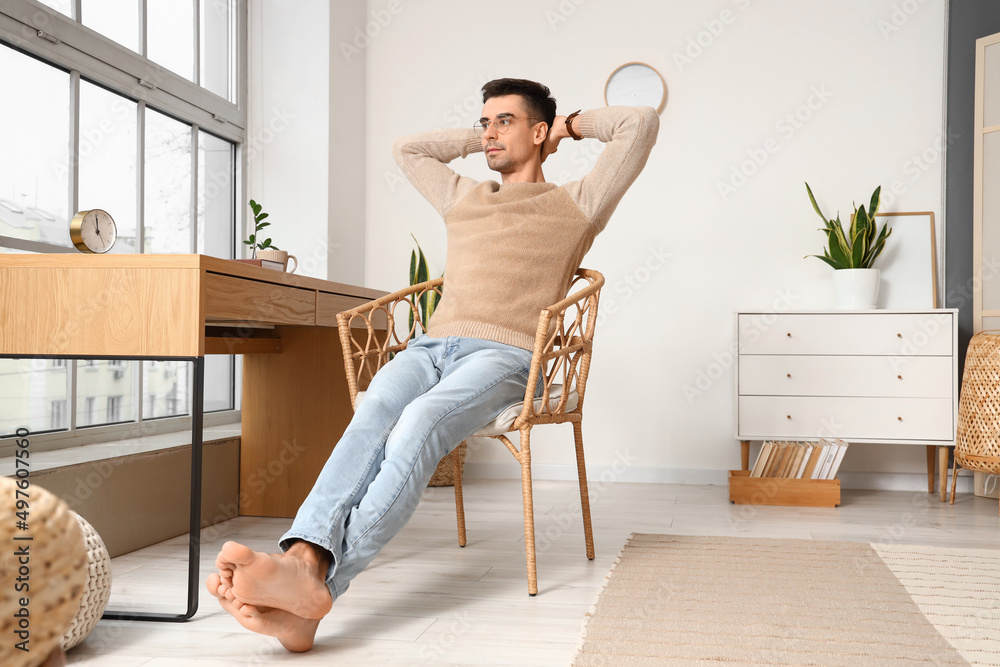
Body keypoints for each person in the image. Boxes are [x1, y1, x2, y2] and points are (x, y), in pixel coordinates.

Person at [207, 78, 659, 652]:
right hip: (430, 347)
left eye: (504, 122)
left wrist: (565, 129)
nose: (489, 132)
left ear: (538, 131)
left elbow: (639, 124)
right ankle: (304, 571)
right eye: (483, 122)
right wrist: (483, 142)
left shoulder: (577, 203)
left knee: (420, 422)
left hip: (509, 355)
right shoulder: (464, 196)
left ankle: (315, 582)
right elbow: (408, 149)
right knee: (374, 413)